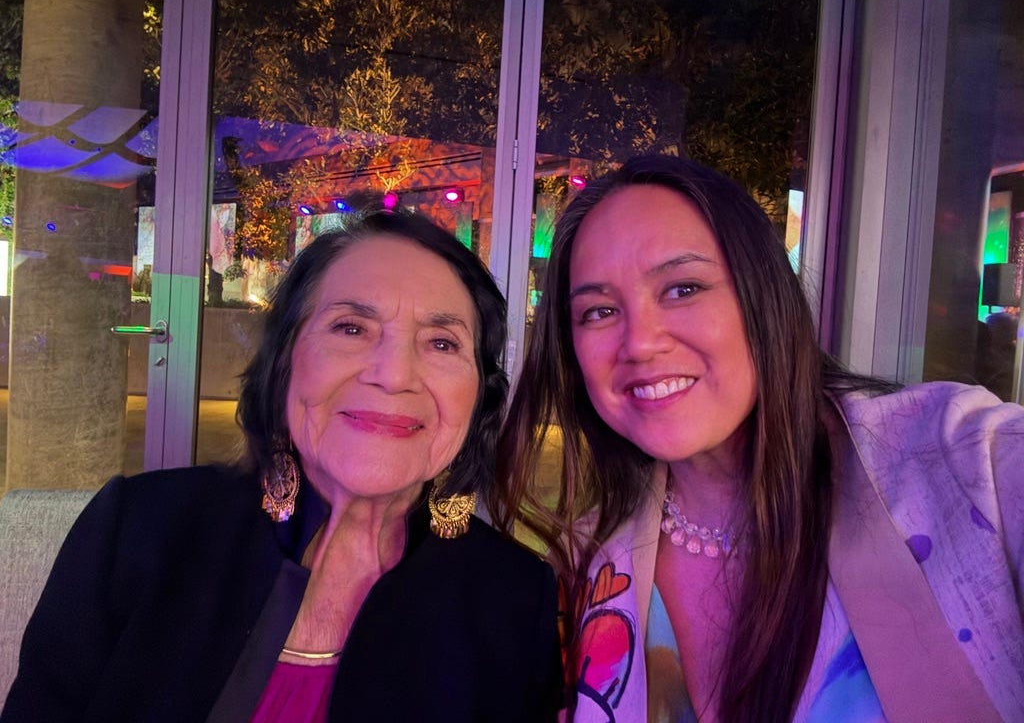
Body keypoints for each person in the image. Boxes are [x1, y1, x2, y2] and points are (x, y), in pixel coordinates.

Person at [489, 155, 1023, 723]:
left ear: (761, 295)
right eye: (598, 311)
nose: (639, 343)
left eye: (683, 288)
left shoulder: (960, 461)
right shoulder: (588, 565)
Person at [3, 211, 562, 722]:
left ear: (480, 393)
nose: (394, 375)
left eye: (442, 343)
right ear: (286, 360)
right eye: (351, 328)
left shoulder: (513, 596)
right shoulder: (139, 530)